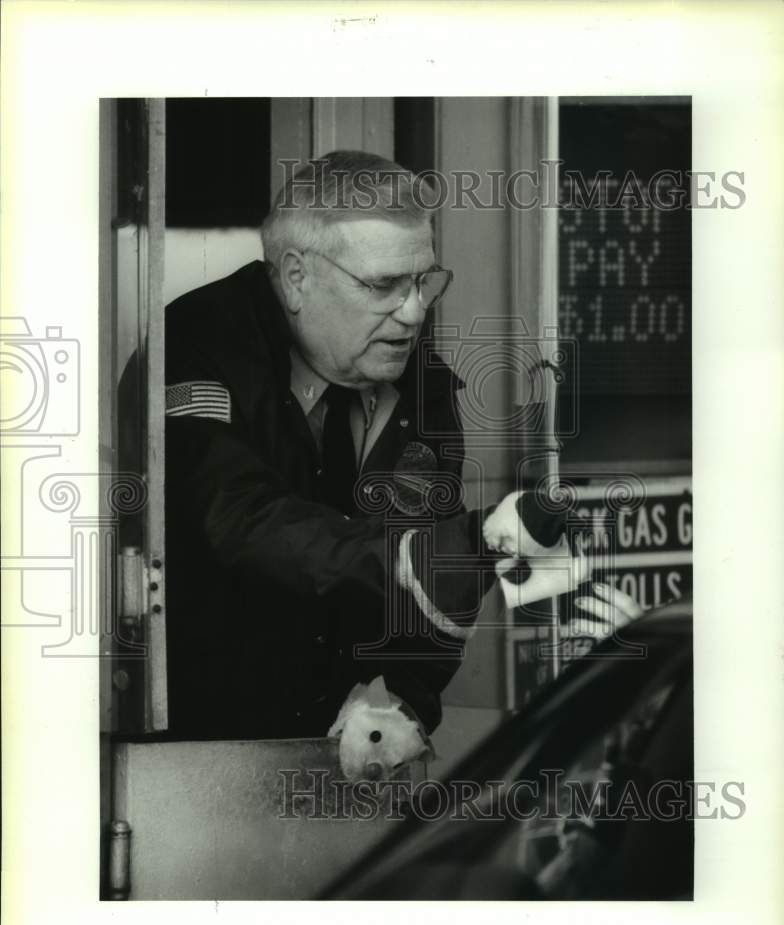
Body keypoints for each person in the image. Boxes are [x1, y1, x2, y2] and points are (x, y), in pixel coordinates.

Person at [163, 149, 637, 741]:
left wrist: (404, 701)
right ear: (295, 278)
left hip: (349, 747)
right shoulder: (193, 347)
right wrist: (418, 557)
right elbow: (236, 516)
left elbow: (433, 580)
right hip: (202, 749)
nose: (413, 312)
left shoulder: (423, 385)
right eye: (384, 285)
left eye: (423, 281)